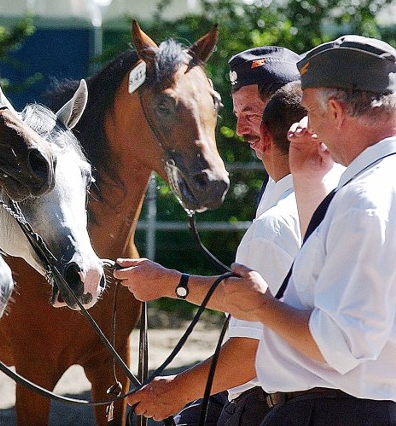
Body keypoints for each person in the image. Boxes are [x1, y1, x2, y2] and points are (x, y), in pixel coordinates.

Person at [118, 35, 396, 425]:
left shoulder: (361, 199)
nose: (307, 130)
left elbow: (339, 342)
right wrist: (310, 181)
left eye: (310, 115)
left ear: (334, 110)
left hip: (327, 409)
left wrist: (259, 306)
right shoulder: (365, 185)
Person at [113, 81, 314, 424]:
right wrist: (170, 283)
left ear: (265, 139)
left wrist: (176, 391)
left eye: (249, 115)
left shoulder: (275, 225)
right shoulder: (343, 206)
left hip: (276, 405)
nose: (239, 128)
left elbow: (248, 349)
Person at [228, 46, 301, 216]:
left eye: (251, 115)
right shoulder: (273, 180)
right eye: (237, 116)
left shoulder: (323, 182)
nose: (240, 131)